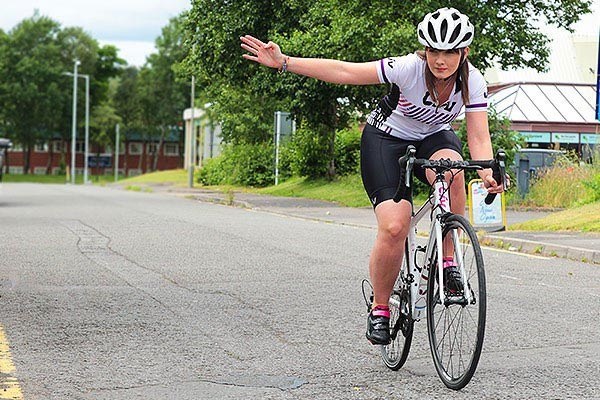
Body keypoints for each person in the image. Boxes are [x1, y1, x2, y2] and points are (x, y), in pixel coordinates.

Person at [241, 7, 506, 345]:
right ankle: (380, 308)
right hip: (387, 140)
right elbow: (345, 71)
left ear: (464, 52)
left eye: (450, 52)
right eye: (434, 51)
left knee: (452, 170)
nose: (441, 60)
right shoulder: (407, 69)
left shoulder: (472, 81)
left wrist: (485, 172)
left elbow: (479, 137)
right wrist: (284, 62)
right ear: (424, 50)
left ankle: (448, 262)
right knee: (395, 225)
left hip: (433, 138)